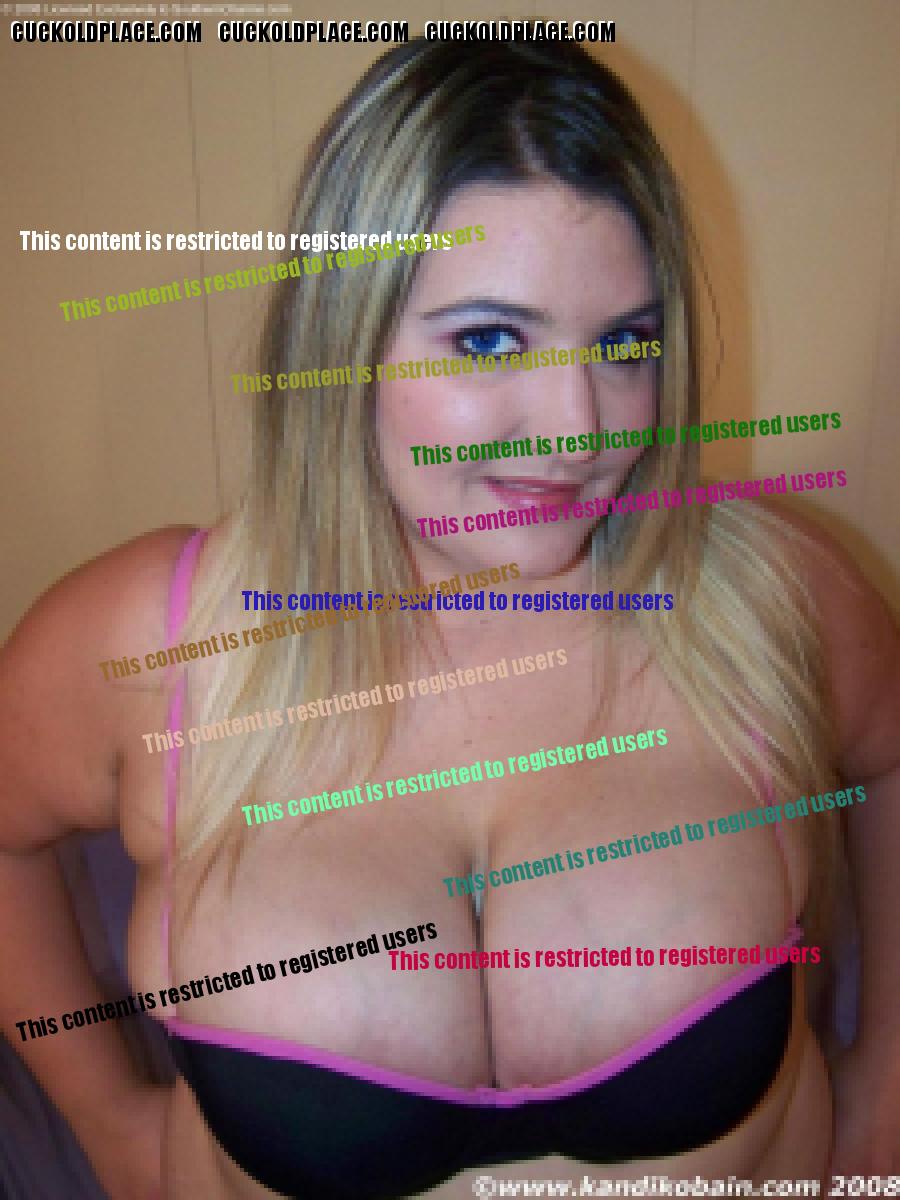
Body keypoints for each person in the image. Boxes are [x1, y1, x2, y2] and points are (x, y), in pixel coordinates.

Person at [1, 37, 898, 1200]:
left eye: (625, 344)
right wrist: (108, 1116)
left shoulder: (768, 594)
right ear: (344, 342)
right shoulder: (149, 644)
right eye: (488, 340)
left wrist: (887, 1072)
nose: (577, 429)